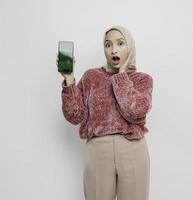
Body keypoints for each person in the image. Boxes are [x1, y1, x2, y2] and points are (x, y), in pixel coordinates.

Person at [57, 25, 154, 200]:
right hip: (98, 151)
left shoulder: (142, 80)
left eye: (120, 43)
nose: (113, 50)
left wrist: (121, 75)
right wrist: (69, 79)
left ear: (130, 47)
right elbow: (74, 116)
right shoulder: (91, 77)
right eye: (108, 44)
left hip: (133, 149)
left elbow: (135, 111)